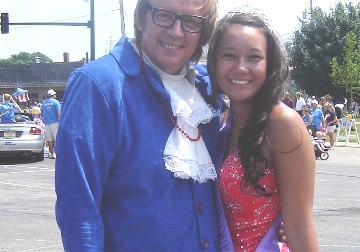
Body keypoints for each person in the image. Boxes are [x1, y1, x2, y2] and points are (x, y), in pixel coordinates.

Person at [55, 0, 221, 250]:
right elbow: (79, 209)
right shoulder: (99, 85)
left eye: (191, 22)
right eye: (163, 16)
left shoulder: (208, 90)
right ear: (142, 18)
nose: (176, 32)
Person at [207, 12, 319, 251]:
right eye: (229, 56)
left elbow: (300, 226)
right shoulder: (222, 123)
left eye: (254, 57)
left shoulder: (282, 123)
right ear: (214, 63)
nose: (241, 68)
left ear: (269, 65)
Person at [42, 89, 61, 159]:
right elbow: (59, 112)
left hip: (46, 123)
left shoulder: (44, 103)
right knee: (56, 139)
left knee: (49, 139)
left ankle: (51, 153)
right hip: (54, 122)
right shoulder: (56, 102)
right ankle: (55, 153)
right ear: (53, 95)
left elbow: (42, 113)